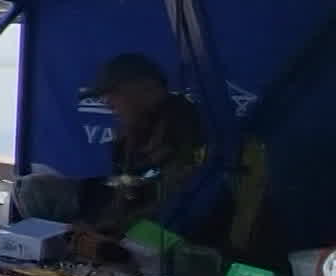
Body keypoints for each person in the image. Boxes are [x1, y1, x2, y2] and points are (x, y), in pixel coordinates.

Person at [13, 53, 204, 254]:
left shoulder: (186, 127)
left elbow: (174, 202)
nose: (107, 102)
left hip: (167, 227)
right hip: (129, 214)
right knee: (33, 188)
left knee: (143, 231)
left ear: (147, 88)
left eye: (113, 93)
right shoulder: (129, 134)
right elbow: (124, 190)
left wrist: (112, 232)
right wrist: (96, 224)